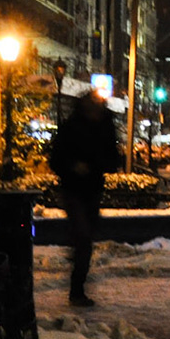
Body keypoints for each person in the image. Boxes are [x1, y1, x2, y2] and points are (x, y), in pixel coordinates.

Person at [48, 89, 122, 308]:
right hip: (74, 190)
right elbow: (56, 159)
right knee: (83, 237)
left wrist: (95, 165)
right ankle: (76, 288)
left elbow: (113, 159)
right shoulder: (72, 127)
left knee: (85, 239)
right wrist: (73, 167)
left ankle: (78, 283)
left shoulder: (105, 126)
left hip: (91, 189)